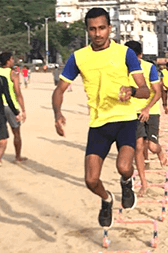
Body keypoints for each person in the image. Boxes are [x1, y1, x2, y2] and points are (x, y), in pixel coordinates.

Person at [52, 7, 150, 228]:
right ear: (87, 31)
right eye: (93, 29)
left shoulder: (125, 54)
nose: (98, 34)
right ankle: (107, 199)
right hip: (98, 122)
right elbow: (59, 90)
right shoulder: (78, 58)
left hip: (125, 118)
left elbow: (145, 90)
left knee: (124, 166)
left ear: (110, 28)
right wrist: (57, 114)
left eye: (102, 28)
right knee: (91, 180)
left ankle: (127, 182)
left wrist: (132, 91)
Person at [125, 40, 168, 196]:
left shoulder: (149, 68)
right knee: (138, 146)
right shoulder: (123, 70)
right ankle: (144, 183)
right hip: (133, 112)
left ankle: (160, 150)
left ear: (140, 55)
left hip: (152, 110)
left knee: (151, 146)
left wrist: (147, 108)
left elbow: (157, 91)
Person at [0, 52, 27, 162]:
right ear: (8, 61)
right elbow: (17, 92)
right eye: (12, 59)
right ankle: (17, 156)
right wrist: (23, 109)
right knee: (16, 133)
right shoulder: (13, 74)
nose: (13, 61)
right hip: (11, 106)